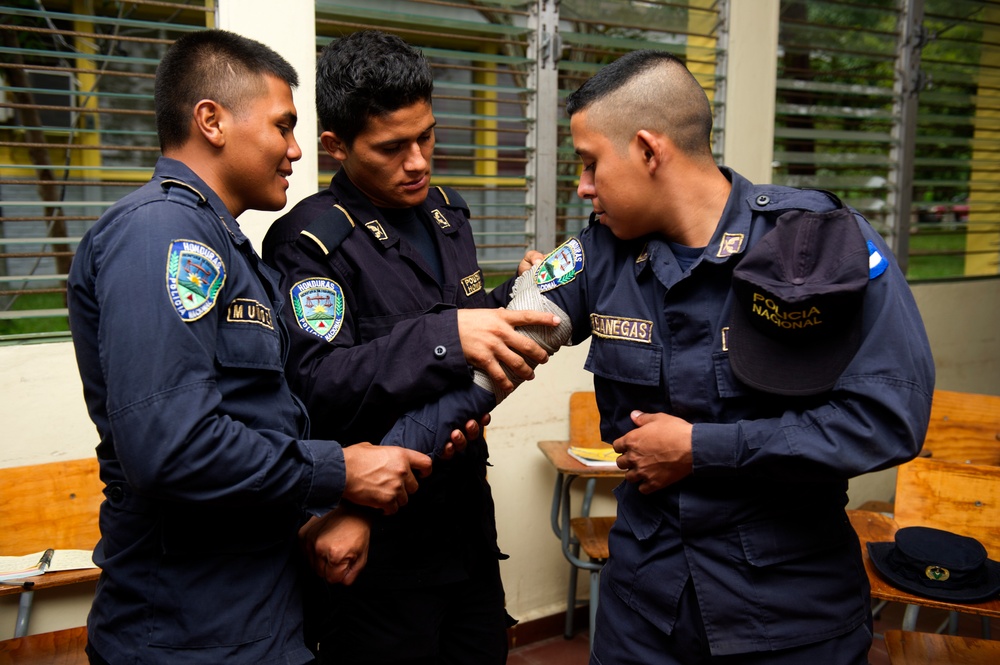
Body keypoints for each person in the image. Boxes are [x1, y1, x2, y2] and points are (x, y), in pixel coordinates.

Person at [378, 50, 937, 664]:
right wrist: (367, 478)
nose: (582, 187)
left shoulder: (821, 245)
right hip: (645, 612)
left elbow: (888, 420)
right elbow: (488, 371)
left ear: (648, 151)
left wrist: (702, 449)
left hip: (788, 618)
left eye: (590, 164)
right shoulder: (599, 252)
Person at [66, 29, 437, 665]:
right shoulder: (164, 233)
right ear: (211, 121)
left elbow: (254, 420)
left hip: (253, 614)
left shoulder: (227, 249)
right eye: (282, 126)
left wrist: (309, 519)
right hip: (188, 634)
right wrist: (340, 470)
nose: (296, 150)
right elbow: (171, 445)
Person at [261, 30, 559, 665]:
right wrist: (445, 338)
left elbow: (468, 323)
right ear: (336, 146)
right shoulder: (311, 243)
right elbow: (316, 383)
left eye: (426, 136)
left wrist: (520, 292)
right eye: (392, 148)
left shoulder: (447, 216)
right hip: (378, 547)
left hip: (465, 531)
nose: (419, 161)